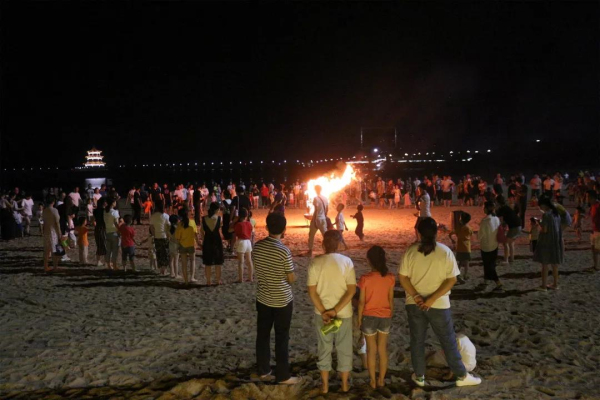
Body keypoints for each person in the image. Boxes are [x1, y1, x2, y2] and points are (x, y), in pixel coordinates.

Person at [399, 217, 481, 388]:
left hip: (414, 304)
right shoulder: (445, 252)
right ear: (437, 233)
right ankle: (461, 375)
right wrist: (431, 299)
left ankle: (419, 375)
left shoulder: (411, 251)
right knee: (447, 340)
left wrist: (416, 296)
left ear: (418, 233)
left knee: (417, 340)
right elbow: (451, 280)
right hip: (439, 305)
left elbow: (403, 278)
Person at [253, 212, 300, 385]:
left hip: (263, 297)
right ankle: (283, 375)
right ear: (284, 229)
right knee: (282, 337)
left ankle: (264, 370)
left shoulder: (257, 247)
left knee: (263, 335)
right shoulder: (284, 251)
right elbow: (290, 278)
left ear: (266, 228)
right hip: (282, 300)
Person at [307, 230, 356, 394]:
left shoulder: (316, 262)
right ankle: (344, 384)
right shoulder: (347, 262)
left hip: (323, 314)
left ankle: (325, 386)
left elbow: (312, 292)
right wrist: (336, 310)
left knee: (324, 347)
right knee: (344, 347)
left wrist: (324, 312)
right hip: (344, 312)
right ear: (339, 244)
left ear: (323, 245)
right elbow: (351, 290)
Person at [357, 246, 395, 389]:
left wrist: (359, 318)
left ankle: (372, 380)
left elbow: (361, 301)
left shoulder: (365, 279)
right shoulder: (390, 277)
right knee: (382, 350)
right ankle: (381, 379)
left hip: (369, 316)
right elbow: (391, 300)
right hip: (385, 315)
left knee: (371, 350)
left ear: (369, 261)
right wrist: (391, 313)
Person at [533, 198, 563, 291]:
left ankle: (544, 286)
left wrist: (539, 223)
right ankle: (555, 284)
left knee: (545, 264)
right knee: (554, 264)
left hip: (547, 241)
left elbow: (545, 230)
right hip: (555, 240)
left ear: (544, 205)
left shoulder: (546, 215)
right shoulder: (556, 214)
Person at [476, 201, 503, 292]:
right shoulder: (496, 219)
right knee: (489, 264)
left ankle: (498, 283)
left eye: (484, 207)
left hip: (486, 246)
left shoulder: (485, 221)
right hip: (494, 244)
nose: (483, 209)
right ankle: (486, 281)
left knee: (489, 266)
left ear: (487, 209)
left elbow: (480, 236)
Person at [200, 202, 224, 285]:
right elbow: (220, 232)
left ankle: (208, 281)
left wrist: (204, 240)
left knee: (208, 263)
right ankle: (218, 280)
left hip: (207, 240)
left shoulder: (203, 218)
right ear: (217, 210)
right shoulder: (219, 218)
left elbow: (201, 232)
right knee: (218, 262)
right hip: (217, 241)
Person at [175, 208, 200, 285]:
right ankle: (192, 277)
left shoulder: (180, 224)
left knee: (184, 263)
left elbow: (177, 237)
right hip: (191, 244)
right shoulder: (192, 222)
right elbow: (196, 234)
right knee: (192, 261)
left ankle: (186, 281)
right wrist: (198, 242)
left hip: (183, 245)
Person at [495, 195, 521, 264]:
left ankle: (506, 260)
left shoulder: (503, 208)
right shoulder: (506, 207)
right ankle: (512, 258)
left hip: (514, 227)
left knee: (505, 243)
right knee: (511, 243)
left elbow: (496, 215)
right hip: (518, 225)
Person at [449, 212, 473, 284]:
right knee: (466, 262)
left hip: (460, 247)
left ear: (462, 220)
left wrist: (452, 239)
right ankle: (465, 274)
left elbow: (452, 234)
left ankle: (458, 275)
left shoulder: (460, 228)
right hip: (467, 248)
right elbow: (469, 235)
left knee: (459, 262)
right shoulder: (469, 228)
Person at [232, 208, 254, 283]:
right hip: (248, 242)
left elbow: (231, 230)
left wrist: (234, 221)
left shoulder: (238, 224)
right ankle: (250, 277)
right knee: (249, 261)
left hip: (241, 241)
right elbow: (251, 232)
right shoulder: (249, 223)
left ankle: (240, 279)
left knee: (241, 262)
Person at [149, 202, 171, 275]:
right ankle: (164, 270)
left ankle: (161, 268)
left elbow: (151, 227)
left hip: (157, 237)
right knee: (165, 253)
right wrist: (168, 236)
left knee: (158, 253)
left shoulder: (153, 216)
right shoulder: (166, 216)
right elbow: (168, 227)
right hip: (164, 236)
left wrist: (154, 235)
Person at [42, 196, 62, 272]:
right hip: (53, 232)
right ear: (53, 202)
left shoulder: (45, 211)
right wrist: (59, 233)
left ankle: (45, 266)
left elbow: (43, 222)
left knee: (46, 250)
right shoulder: (54, 210)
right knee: (54, 250)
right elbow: (57, 223)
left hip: (46, 231)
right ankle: (55, 267)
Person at [308, 185, 329, 258]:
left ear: (315, 190)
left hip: (317, 219)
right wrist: (324, 216)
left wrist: (313, 220)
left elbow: (316, 210)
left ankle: (310, 251)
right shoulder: (325, 198)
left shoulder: (316, 198)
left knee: (311, 235)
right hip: (323, 219)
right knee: (325, 235)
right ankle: (328, 250)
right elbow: (327, 209)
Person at [103, 198, 121, 270]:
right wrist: (119, 230)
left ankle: (108, 265)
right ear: (112, 203)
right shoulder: (115, 212)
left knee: (108, 249)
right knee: (115, 250)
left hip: (107, 231)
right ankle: (114, 265)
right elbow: (116, 223)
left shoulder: (105, 211)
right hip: (114, 232)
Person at [587, 190, 600, 272]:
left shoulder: (599, 206)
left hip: (599, 231)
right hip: (594, 230)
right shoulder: (593, 206)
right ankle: (595, 266)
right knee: (593, 249)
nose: (587, 199)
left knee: (597, 249)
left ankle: (597, 267)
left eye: (588, 197)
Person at [92, 197, 107, 267]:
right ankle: (105, 261)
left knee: (99, 245)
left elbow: (94, 220)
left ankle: (98, 261)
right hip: (103, 228)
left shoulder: (95, 210)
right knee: (105, 245)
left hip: (97, 228)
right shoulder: (104, 211)